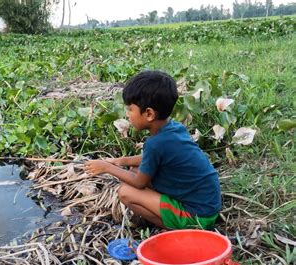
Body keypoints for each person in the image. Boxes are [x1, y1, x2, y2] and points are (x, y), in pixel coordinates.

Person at [84, 70, 221, 230]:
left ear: (149, 113)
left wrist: (107, 167)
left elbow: (139, 183)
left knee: (126, 192)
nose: (127, 114)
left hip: (198, 217)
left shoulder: (156, 143)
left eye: (130, 110)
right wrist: (120, 161)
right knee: (135, 169)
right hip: (208, 204)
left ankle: (179, 230)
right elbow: (149, 159)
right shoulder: (174, 128)